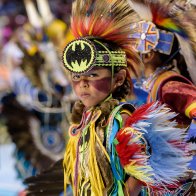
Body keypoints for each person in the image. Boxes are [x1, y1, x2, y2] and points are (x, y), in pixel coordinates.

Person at [61, 0, 192, 195]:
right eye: (77, 76)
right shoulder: (87, 121)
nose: (83, 84)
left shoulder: (121, 119)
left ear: (119, 78)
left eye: (93, 75)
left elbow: (139, 175)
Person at [127, 0, 196, 194]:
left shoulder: (169, 85)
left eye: (129, 53)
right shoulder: (158, 87)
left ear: (147, 55)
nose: (125, 62)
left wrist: (188, 161)